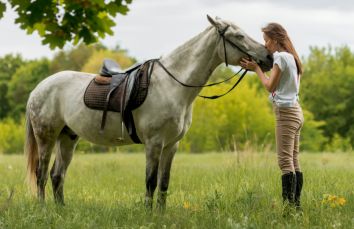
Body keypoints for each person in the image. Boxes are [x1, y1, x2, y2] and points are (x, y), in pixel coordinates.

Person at [240, 23, 304, 209]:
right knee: (293, 159)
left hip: (286, 114)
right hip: (296, 111)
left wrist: (256, 69)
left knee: (284, 161)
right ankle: (296, 206)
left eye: (266, 41)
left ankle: (289, 209)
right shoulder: (293, 58)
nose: (265, 45)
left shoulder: (281, 57)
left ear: (275, 40)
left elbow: (270, 86)